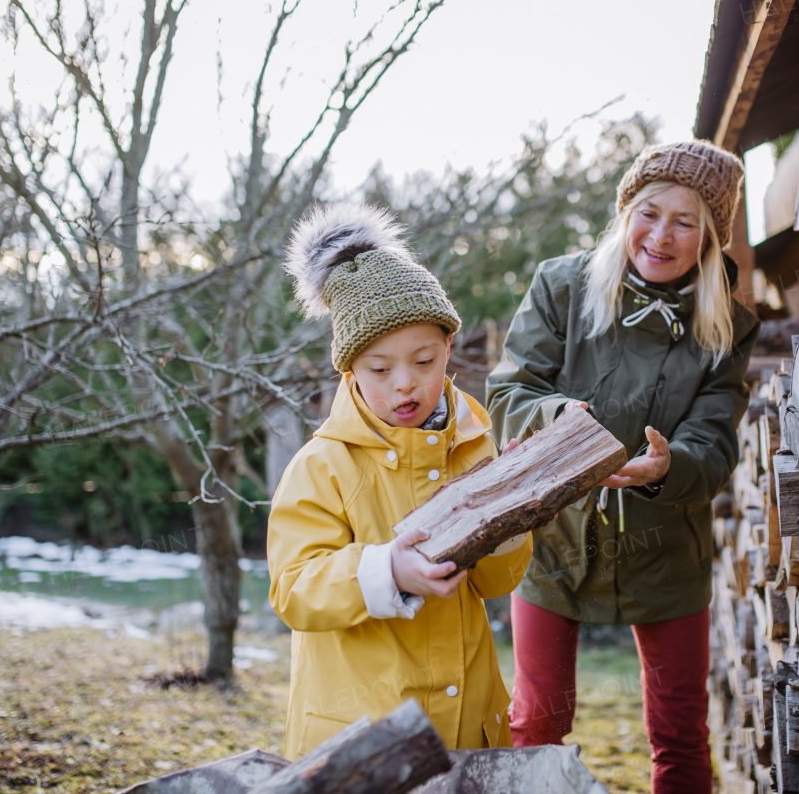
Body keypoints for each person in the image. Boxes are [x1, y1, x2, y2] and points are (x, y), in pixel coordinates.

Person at [486, 140, 760, 793]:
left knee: (679, 733)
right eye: (649, 211)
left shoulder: (727, 329)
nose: (660, 235)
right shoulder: (562, 286)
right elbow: (508, 392)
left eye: (685, 221)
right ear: (625, 212)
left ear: (709, 238)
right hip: (554, 541)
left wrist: (668, 467)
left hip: (666, 552)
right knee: (538, 720)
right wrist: (557, 421)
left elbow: (714, 444)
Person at [267, 203, 532, 759]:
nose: (405, 385)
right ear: (350, 372)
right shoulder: (323, 465)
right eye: (380, 370)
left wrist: (512, 513)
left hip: (465, 728)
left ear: (449, 350)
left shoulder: (475, 443)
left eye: (425, 361)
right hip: (361, 739)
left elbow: (496, 584)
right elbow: (293, 588)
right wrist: (386, 570)